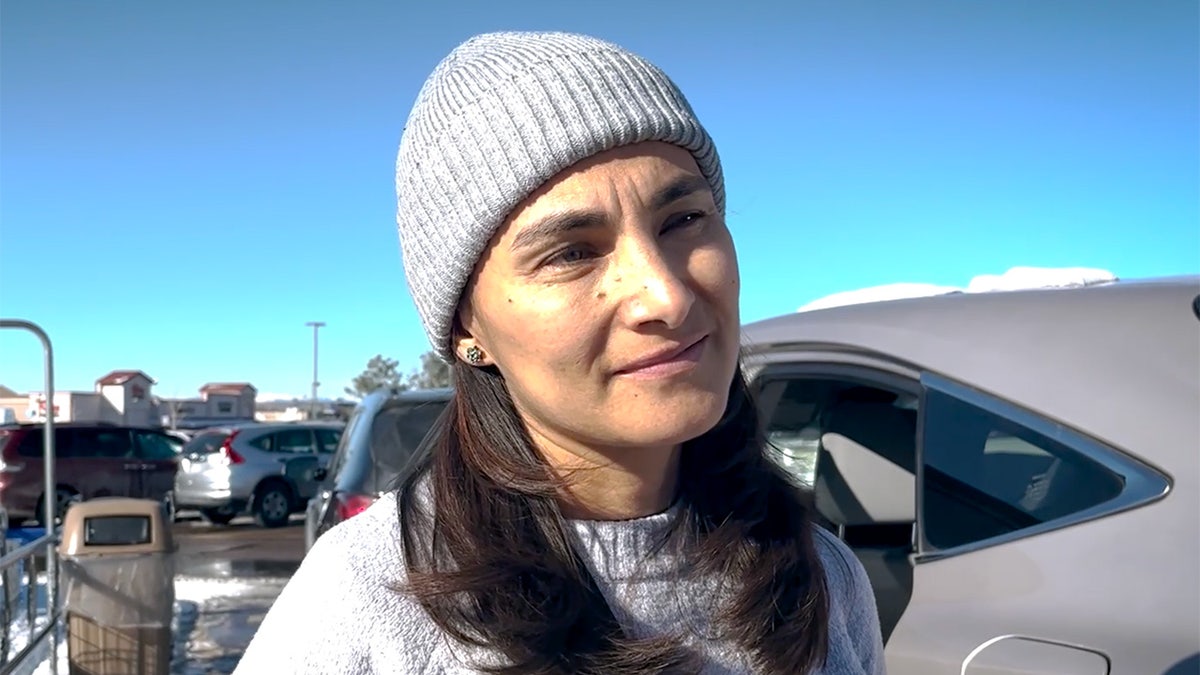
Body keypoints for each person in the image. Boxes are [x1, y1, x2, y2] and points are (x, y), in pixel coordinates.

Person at [234, 30, 885, 674]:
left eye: (683, 220)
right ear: (468, 328)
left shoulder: (821, 575)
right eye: (571, 252)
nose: (665, 294)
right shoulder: (367, 604)